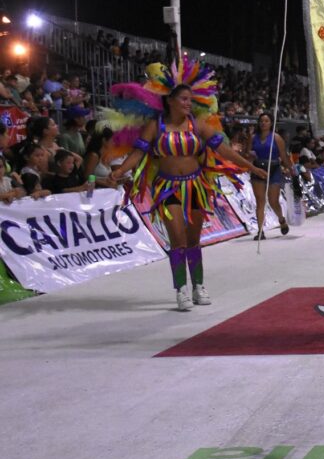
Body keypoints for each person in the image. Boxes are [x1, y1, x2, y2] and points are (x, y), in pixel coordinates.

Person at [108, 59, 266, 310]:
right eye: (183, 99)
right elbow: (138, 154)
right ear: (170, 101)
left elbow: (223, 150)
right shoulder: (155, 126)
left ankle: (198, 286)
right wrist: (120, 171)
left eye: (190, 100)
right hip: (167, 188)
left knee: (193, 241)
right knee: (177, 240)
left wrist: (250, 167)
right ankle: (181, 289)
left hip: (195, 187)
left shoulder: (197, 125)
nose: (188, 103)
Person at [246, 112, 296, 239]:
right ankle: (260, 231)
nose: (263, 123)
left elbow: (283, 156)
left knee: (273, 201)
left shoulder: (276, 138)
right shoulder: (253, 137)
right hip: (258, 169)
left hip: (273, 170)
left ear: (271, 123)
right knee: (260, 201)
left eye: (266, 121)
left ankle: (281, 219)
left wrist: (291, 169)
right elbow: (247, 154)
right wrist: (250, 155)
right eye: (261, 121)